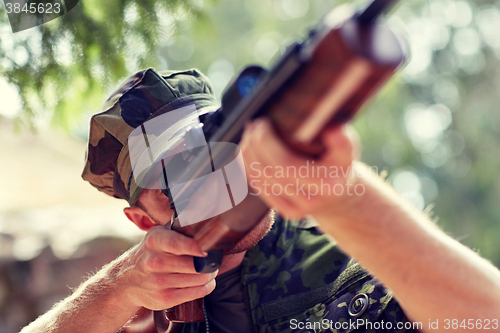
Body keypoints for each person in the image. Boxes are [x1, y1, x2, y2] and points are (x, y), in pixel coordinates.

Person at [20, 68, 500, 333]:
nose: (207, 183)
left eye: (212, 155)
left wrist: (343, 200)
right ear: (143, 222)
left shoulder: (352, 263)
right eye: (174, 179)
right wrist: (117, 290)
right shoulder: (138, 313)